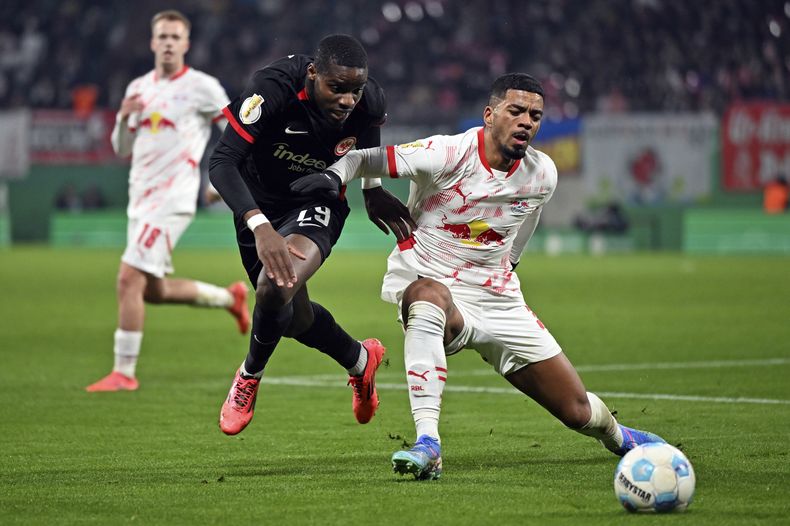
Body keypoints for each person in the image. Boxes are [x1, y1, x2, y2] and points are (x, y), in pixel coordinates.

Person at [291, 73, 666, 480]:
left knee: (577, 411)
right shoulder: (446, 153)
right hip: (435, 284)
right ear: (489, 115)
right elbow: (362, 158)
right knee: (424, 295)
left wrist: (508, 270)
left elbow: (524, 224)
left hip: (499, 299)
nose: (526, 122)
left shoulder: (542, 174)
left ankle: (620, 438)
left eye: (535, 115)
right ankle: (428, 442)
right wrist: (339, 180)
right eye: (516, 111)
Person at [208, 34, 415, 435]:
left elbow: (365, 150)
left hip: (317, 202)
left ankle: (249, 376)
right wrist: (259, 225)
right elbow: (222, 161)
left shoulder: (370, 101)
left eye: (355, 91)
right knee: (291, 318)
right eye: (336, 88)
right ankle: (360, 360)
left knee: (274, 287)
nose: (347, 100)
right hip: (258, 206)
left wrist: (372, 190)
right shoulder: (272, 88)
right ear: (312, 73)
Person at [86, 10, 250, 392]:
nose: (168, 43)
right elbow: (121, 147)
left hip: (173, 198)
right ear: (152, 42)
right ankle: (229, 298)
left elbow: (236, 132)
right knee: (151, 290)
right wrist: (123, 120)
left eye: (175, 37)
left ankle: (124, 372)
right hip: (139, 199)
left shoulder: (202, 86)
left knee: (128, 278)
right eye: (162, 36)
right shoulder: (138, 88)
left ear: (186, 44)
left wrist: (226, 179)